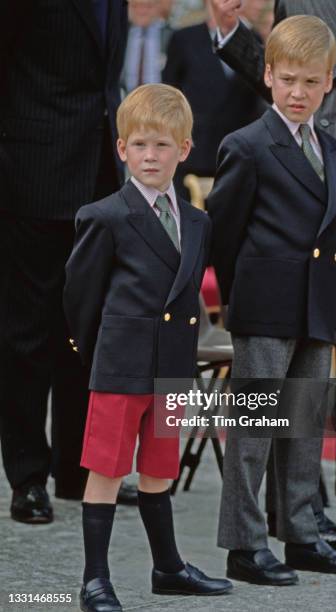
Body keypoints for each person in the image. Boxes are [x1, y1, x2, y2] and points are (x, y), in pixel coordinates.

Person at [210, 0, 336, 536]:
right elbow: (281, 69)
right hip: (295, 182)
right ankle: (297, 510)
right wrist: (231, 31)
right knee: (287, 357)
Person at [64, 84, 233, 612]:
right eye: (139, 145)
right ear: (121, 149)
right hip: (120, 363)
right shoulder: (105, 215)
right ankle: (95, 581)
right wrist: (97, 353)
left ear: (184, 149)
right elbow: (80, 295)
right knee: (108, 471)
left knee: (160, 468)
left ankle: (169, 568)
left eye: (162, 145)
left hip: (172, 366)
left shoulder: (199, 222)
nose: (150, 156)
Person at [207, 16, 336, 585]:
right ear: (268, 75)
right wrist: (241, 300)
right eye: (288, 79)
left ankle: (300, 534)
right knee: (253, 433)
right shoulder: (246, 146)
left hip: (316, 308)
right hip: (264, 309)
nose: (298, 93)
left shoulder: (335, 150)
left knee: (302, 427)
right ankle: (244, 547)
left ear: (329, 83)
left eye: (311, 82)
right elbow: (223, 232)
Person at [0, 0, 138, 525]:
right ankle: (27, 477)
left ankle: (78, 471)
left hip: (97, 175)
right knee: (26, 333)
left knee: (85, 328)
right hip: (30, 174)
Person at [162, 0, 266, 199]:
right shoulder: (184, 38)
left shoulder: (251, 38)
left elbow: (258, 97)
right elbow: (169, 95)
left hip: (238, 154)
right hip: (193, 154)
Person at [121, 0, 173, 96]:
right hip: (125, 100)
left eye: (148, 6)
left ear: (158, 6)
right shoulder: (119, 35)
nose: (142, 11)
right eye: (136, 6)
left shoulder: (171, 36)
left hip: (160, 100)